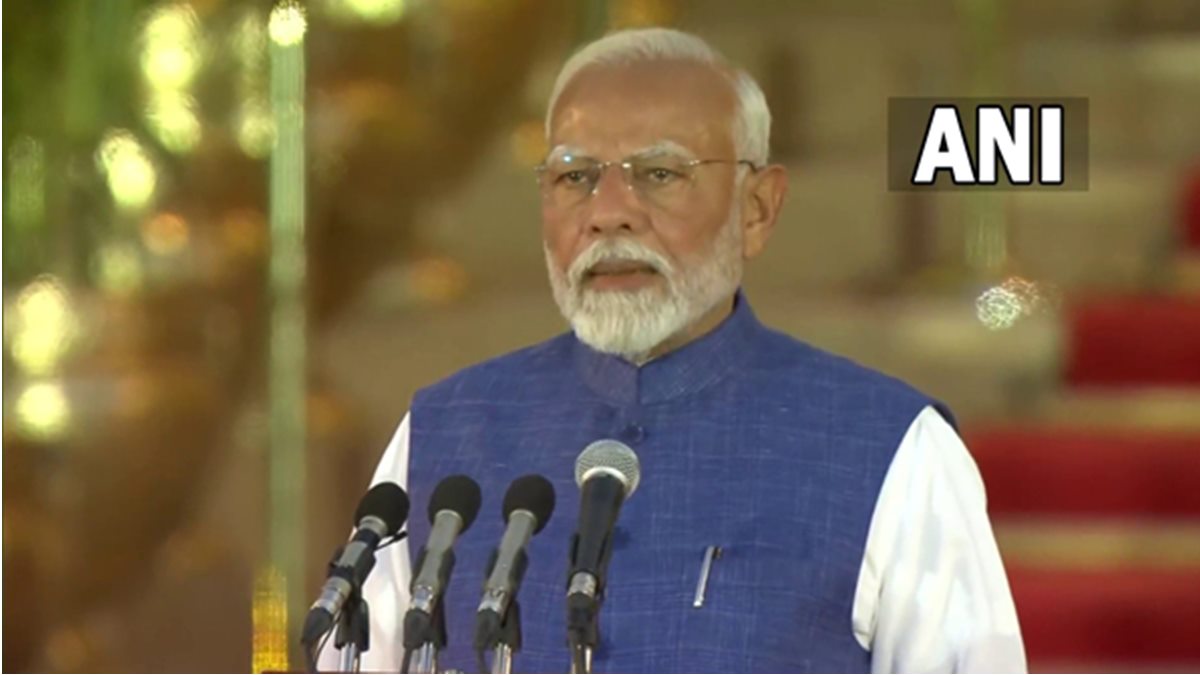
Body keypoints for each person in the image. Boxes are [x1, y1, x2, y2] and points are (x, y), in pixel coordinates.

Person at [322, 27, 1026, 673]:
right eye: (574, 175)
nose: (609, 212)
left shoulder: (889, 449)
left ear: (758, 208)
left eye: (659, 173)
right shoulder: (446, 435)